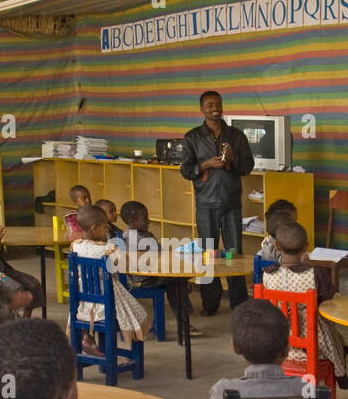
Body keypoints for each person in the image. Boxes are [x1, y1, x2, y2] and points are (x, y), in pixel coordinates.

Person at [180, 90, 255, 315]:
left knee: (234, 254)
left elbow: (247, 167)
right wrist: (205, 165)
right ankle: (210, 303)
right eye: (210, 104)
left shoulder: (236, 135)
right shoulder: (192, 137)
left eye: (219, 104)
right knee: (209, 254)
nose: (216, 108)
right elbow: (185, 170)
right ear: (202, 109)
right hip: (205, 203)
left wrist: (231, 160)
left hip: (232, 202)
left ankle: (239, 303)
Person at [260, 221, 348, 388]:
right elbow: (328, 300)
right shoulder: (314, 274)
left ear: (277, 246)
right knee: (335, 339)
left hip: (278, 345)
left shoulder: (268, 275)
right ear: (306, 246)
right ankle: (339, 374)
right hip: (312, 347)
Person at [69, 205, 151, 357]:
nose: (107, 230)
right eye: (104, 227)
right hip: (107, 304)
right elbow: (124, 265)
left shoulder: (75, 246)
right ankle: (130, 355)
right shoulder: (109, 249)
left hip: (83, 305)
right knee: (138, 314)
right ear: (94, 228)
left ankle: (102, 350)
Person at [116, 200, 201, 337]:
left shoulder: (140, 235)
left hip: (146, 276)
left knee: (179, 279)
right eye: (144, 218)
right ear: (132, 221)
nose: (148, 221)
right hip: (141, 280)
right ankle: (184, 322)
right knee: (176, 282)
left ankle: (184, 290)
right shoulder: (134, 239)